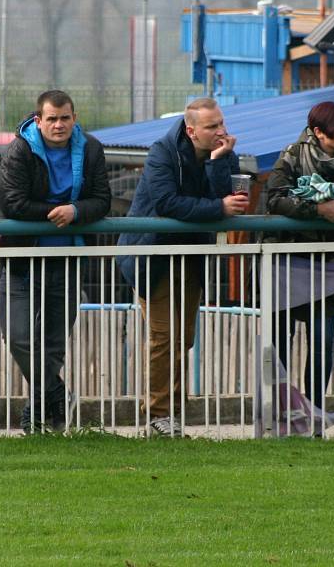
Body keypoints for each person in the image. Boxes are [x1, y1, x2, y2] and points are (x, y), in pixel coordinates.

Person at [116, 97, 248, 437]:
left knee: (183, 338)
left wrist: (220, 161)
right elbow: (167, 203)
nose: (221, 131)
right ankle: (160, 416)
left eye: (221, 123)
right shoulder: (162, 152)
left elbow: (229, 198)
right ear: (191, 131)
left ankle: (168, 413)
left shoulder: (223, 151)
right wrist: (218, 207)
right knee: (165, 337)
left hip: (189, 256)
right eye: (212, 127)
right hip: (152, 255)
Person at [0, 90, 111, 434]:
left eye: (65, 118)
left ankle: (38, 415)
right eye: (51, 119)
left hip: (69, 257)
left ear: (74, 119)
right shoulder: (21, 149)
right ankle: (58, 393)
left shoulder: (90, 148)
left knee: (53, 344)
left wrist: (76, 211)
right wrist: (52, 213)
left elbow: (102, 200)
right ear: (38, 120)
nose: (58, 125)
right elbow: (11, 202)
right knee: (18, 337)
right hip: (22, 258)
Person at [266, 101, 334, 408]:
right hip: (286, 261)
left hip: (328, 265)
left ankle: (314, 413)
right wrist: (318, 209)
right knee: (280, 342)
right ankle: (281, 412)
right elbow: (275, 199)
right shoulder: (293, 155)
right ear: (318, 133)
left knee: (324, 342)